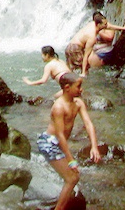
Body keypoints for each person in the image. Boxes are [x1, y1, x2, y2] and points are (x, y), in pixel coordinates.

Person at [38, 72, 101, 210]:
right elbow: (60, 135)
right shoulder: (59, 107)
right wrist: (71, 160)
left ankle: (66, 201)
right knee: (72, 178)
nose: (81, 89)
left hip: (59, 143)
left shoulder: (78, 103)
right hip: (49, 143)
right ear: (67, 88)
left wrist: (94, 147)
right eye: (78, 86)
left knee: (73, 176)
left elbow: (89, 124)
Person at [66, 12, 125, 76]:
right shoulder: (92, 37)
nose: (106, 26)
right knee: (80, 69)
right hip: (74, 49)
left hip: (72, 46)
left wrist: (123, 28)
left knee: (74, 70)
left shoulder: (93, 23)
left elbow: (109, 26)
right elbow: (86, 56)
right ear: (99, 25)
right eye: (104, 24)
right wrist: (83, 73)